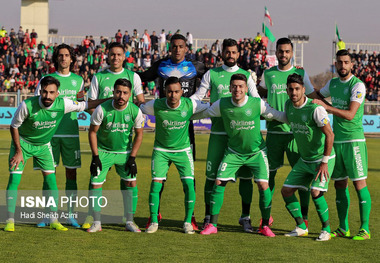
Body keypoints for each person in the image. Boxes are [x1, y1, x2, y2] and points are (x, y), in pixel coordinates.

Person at [4, 76, 108, 232]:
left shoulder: (63, 104)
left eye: (51, 92)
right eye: (44, 92)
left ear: (57, 93)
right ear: (40, 91)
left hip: (43, 146)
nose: (47, 96)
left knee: (51, 180)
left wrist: (109, 100)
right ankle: (10, 220)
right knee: (14, 179)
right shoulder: (27, 105)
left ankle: (53, 219)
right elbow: (14, 126)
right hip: (23, 145)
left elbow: (85, 104)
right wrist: (18, 150)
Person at [194, 73, 286, 236]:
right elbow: (203, 114)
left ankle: (264, 225)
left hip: (256, 153)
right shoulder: (222, 104)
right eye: (234, 86)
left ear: (246, 89)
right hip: (234, 153)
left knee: (263, 186)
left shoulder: (257, 104)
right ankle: (213, 225)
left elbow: (276, 115)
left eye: (241, 86)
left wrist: (296, 118)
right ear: (230, 88)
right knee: (219, 181)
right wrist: (181, 115)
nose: (237, 89)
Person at [191, 38, 260, 232]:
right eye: (227, 52)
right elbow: (198, 97)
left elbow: (255, 101)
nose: (230, 55)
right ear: (222, 53)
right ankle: (208, 217)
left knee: (246, 179)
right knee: (212, 177)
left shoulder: (246, 75)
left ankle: (245, 217)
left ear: (239, 54)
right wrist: (184, 106)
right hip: (219, 134)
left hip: (241, 136)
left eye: (233, 52)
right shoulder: (212, 74)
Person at [138, 34, 206, 229]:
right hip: (165, 118)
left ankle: (190, 217)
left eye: (181, 46)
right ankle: (155, 213)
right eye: (174, 46)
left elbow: (214, 79)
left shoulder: (197, 66)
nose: (177, 50)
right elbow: (141, 78)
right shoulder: (160, 65)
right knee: (160, 177)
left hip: (187, 121)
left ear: (187, 48)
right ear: (170, 48)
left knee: (189, 177)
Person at [83, 41, 145, 229]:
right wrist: (106, 111)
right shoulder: (99, 77)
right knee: (95, 180)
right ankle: (93, 218)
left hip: (123, 146)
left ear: (124, 56)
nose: (115, 58)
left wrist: (132, 115)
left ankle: (128, 219)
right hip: (103, 142)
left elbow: (140, 101)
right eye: (112, 54)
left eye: (119, 54)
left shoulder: (132, 76)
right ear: (107, 56)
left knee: (129, 182)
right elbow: (91, 104)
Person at [258, 37, 318, 226]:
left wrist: (326, 107)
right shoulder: (268, 74)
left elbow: (311, 96)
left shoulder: (300, 73)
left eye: (287, 51)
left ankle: (305, 218)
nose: (283, 54)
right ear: (276, 53)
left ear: (292, 53)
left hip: (296, 134)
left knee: (302, 178)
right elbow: (257, 93)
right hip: (274, 133)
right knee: (269, 177)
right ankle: (266, 218)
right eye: (280, 51)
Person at [313, 49, 371, 240]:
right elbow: (318, 95)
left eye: (346, 62)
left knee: (358, 183)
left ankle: (364, 229)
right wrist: (302, 92)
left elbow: (350, 114)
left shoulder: (358, 85)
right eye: (340, 62)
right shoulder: (333, 83)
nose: (343, 66)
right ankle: (343, 227)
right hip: (337, 141)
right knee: (340, 183)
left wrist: (326, 107)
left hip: (353, 141)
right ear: (336, 64)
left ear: (351, 65)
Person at [34, 44, 84, 228]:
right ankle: (49, 215)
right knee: (49, 175)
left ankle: (70, 215)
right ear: (56, 58)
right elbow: (36, 104)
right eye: (60, 55)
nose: (63, 58)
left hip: (70, 133)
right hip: (49, 135)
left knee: (71, 173)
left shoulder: (78, 81)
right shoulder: (46, 80)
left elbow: (81, 103)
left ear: (72, 59)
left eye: (67, 55)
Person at [281, 73, 335, 241]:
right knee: (286, 190)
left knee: (315, 191)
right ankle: (301, 226)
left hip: (322, 159)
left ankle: (326, 230)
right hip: (304, 160)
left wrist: (324, 162)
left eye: (297, 89)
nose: (294, 92)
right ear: (287, 90)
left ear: (304, 89)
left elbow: (330, 135)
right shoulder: (288, 105)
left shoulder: (315, 109)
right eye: (290, 89)